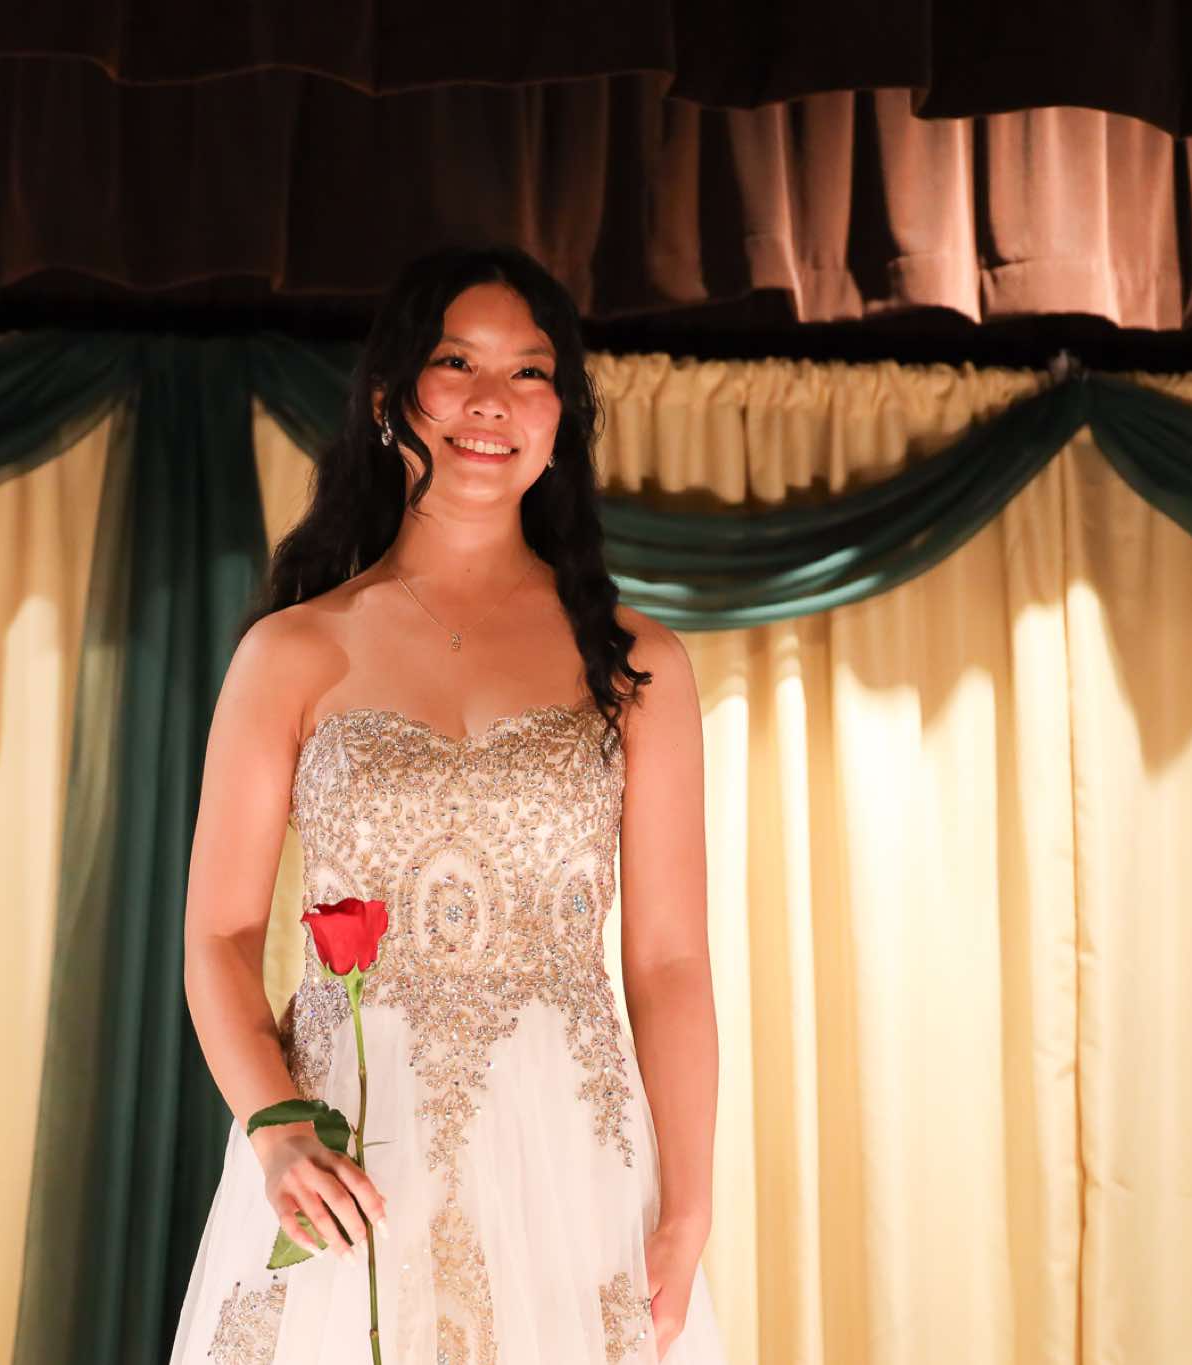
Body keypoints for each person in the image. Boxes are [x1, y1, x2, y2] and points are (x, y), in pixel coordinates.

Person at [171, 245, 726, 1364]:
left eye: (529, 372)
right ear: (389, 399)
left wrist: (689, 1207)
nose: (492, 400)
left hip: (571, 1163)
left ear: (561, 417)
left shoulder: (638, 666)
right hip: (348, 1154)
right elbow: (219, 937)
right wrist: (276, 1128)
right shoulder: (292, 651)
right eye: (456, 363)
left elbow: (669, 963)